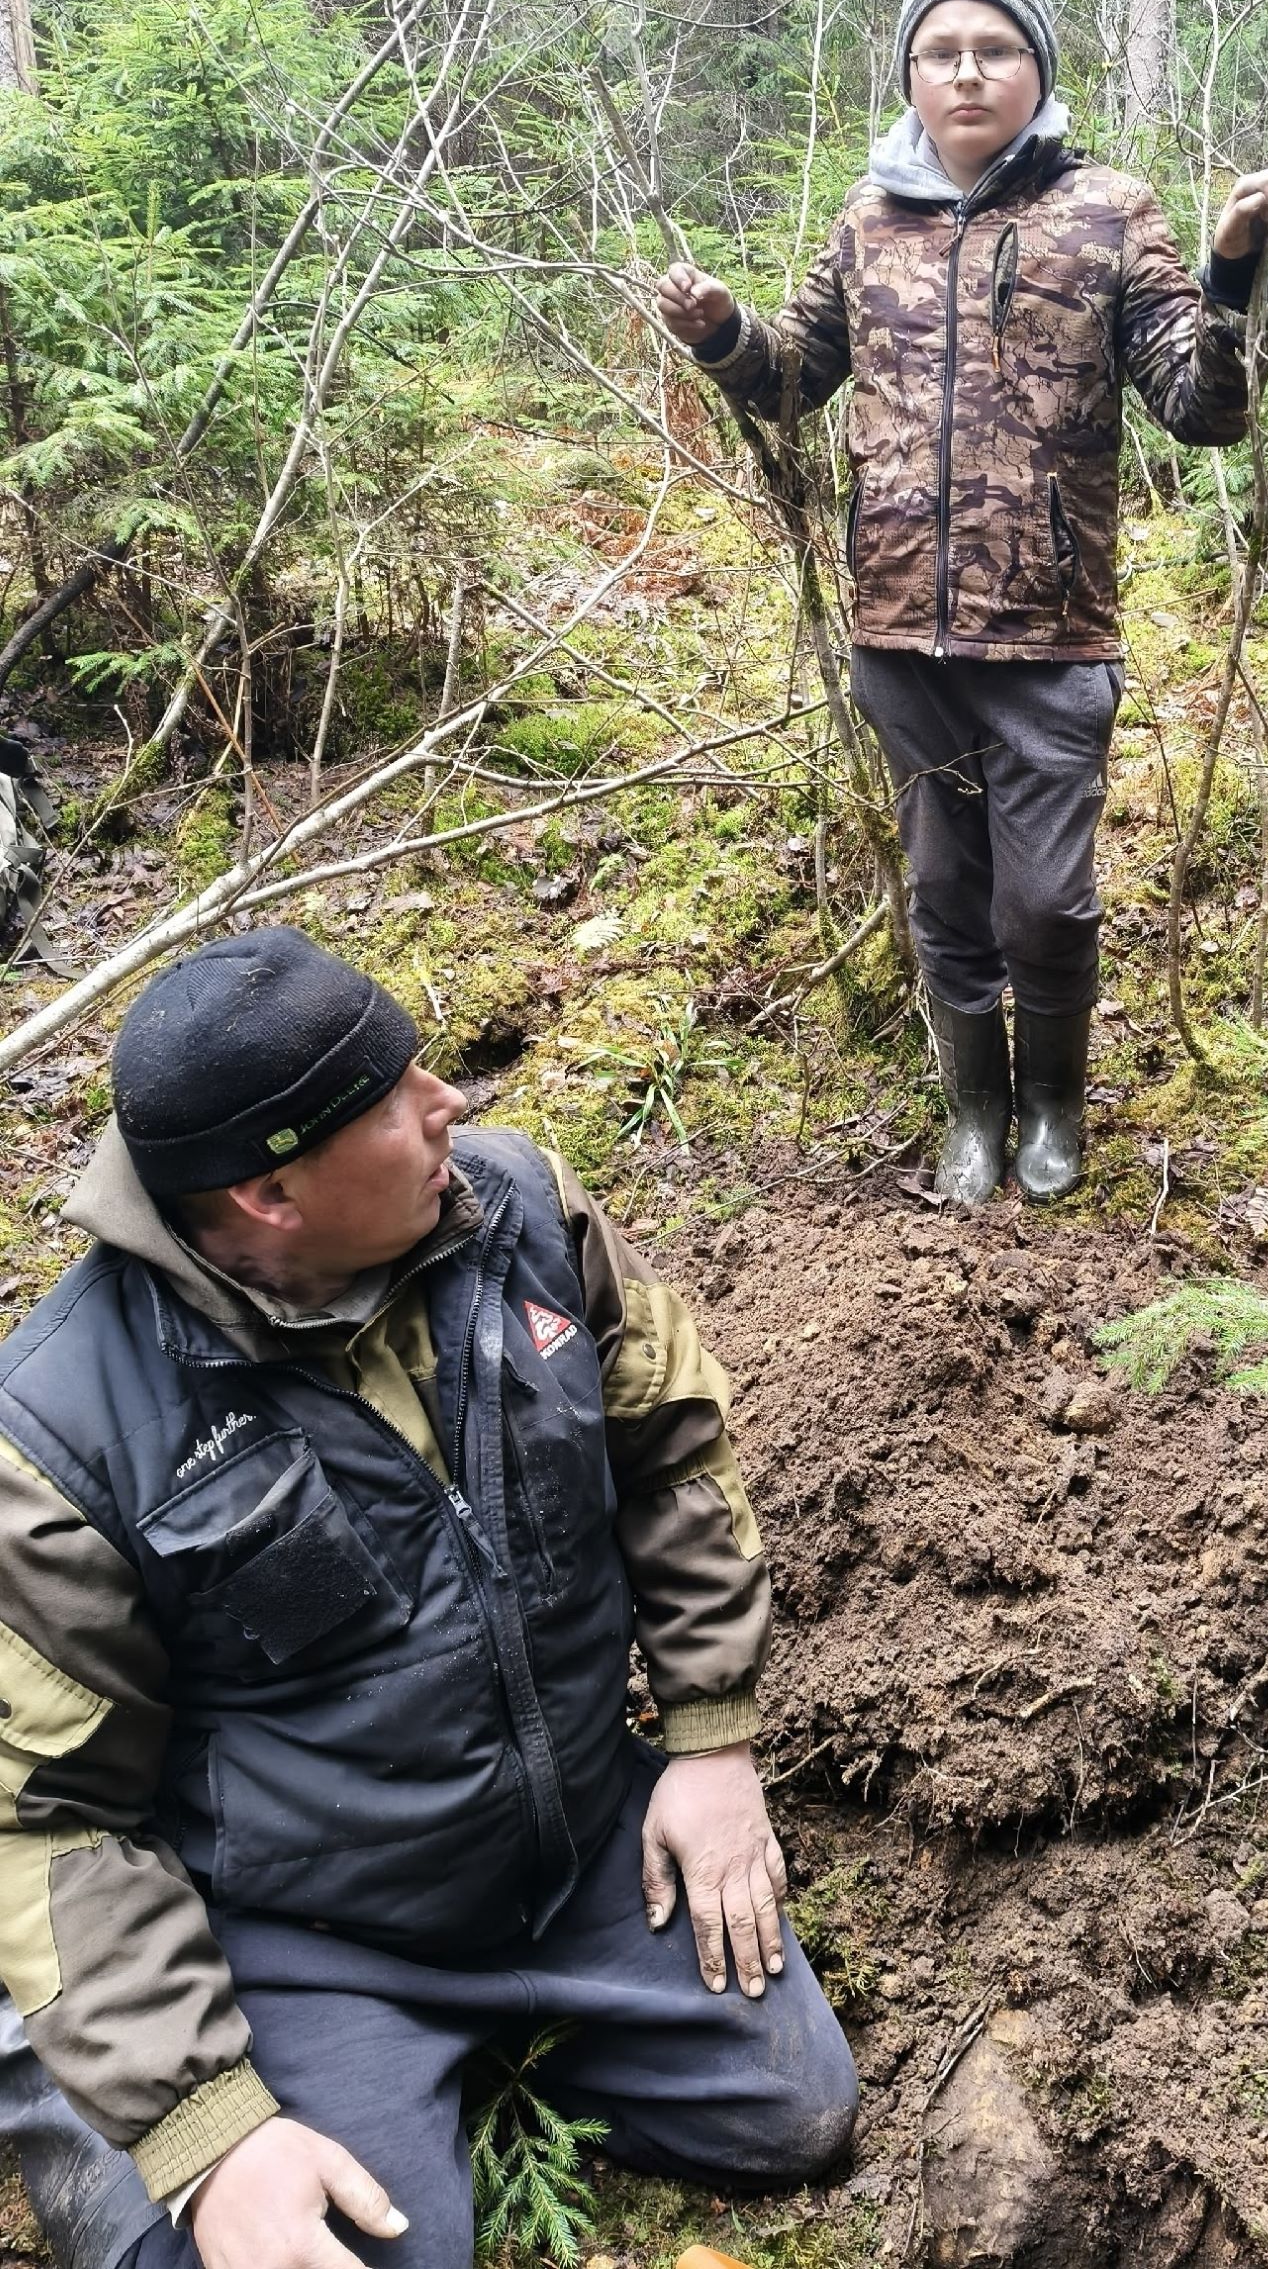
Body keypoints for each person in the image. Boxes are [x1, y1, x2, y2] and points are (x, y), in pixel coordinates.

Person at [0, 927, 857, 2269]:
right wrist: (211, 2128)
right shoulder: (66, 1435)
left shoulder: (520, 1213)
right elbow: (45, 1824)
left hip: (576, 1850)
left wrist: (711, 1736)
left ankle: (464, 2055)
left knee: (794, 2111)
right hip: (308, 1930)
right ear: (272, 1194)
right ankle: (80, 2096)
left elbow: (674, 1448)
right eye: (396, 1097)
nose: (449, 1101)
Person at [657, 0, 1268, 1206]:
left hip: (1053, 634)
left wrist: (1233, 267)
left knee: (1047, 908)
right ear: (908, 73)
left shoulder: (1109, 210)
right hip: (899, 631)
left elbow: (1203, 406)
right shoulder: (865, 218)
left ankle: (1054, 1104)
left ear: (1036, 70)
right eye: (940, 51)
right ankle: (974, 1113)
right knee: (946, 897)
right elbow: (794, 384)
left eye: (993, 49)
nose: (966, 72)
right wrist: (725, 336)